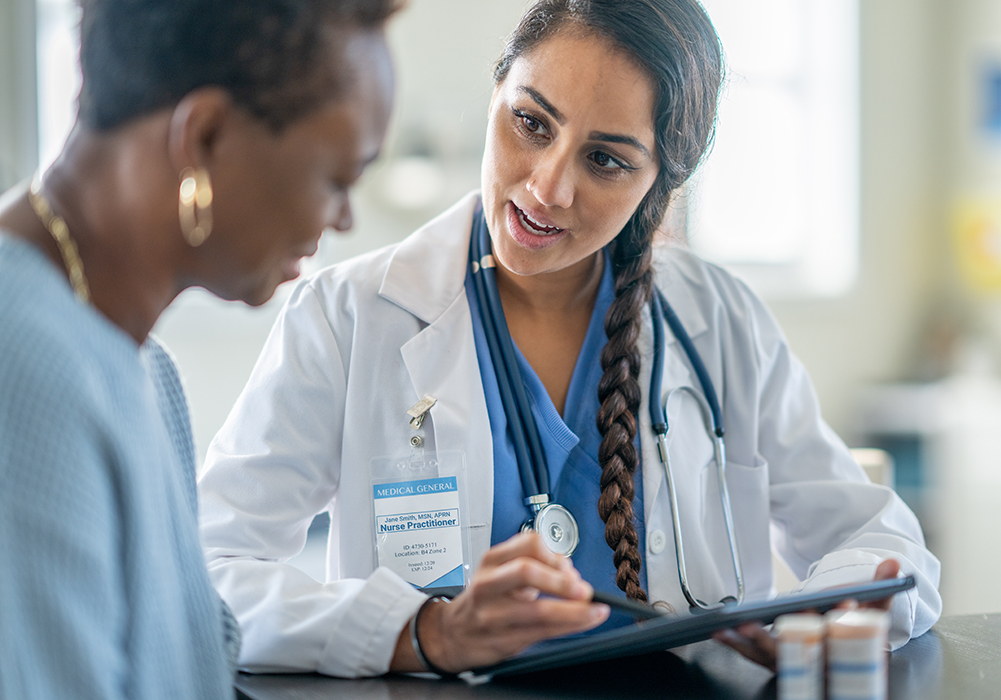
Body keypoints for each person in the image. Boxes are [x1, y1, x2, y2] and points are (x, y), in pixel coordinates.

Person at [197, 0, 942, 679]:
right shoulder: (349, 316)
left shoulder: (720, 322)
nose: (547, 187)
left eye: (605, 160)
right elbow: (205, 567)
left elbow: (883, 542)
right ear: (496, 96)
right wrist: (423, 631)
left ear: (658, 187)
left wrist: (823, 617)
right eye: (530, 123)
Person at [0, 0, 399, 697]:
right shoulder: (24, 370)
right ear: (204, 137)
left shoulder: (149, 372)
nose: (342, 218)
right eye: (336, 179)